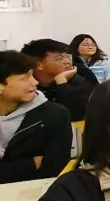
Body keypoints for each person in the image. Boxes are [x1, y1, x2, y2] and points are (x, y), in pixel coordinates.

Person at [0, 51, 72, 183]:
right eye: (25, 78)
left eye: (32, 75)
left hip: (32, 191)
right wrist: (31, 164)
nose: (35, 82)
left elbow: (53, 168)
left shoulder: (54, 115)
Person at [21, 39, 96, 121]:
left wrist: (62, 82)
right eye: (60, 58)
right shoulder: (26, 86)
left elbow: (79, 114)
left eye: (68, 57)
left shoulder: (76, 79)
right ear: (39, 65)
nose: (67, 61)